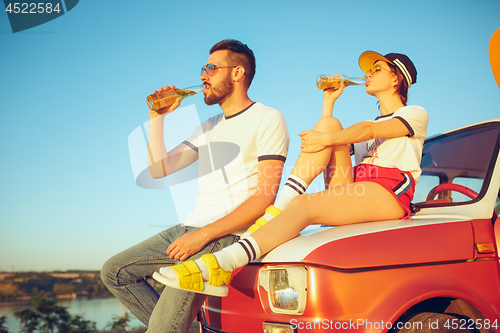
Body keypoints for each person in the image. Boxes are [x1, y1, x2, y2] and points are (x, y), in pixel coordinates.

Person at [152, 51, 429, 297]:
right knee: (329, 122)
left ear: (397, 80)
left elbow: (369, 129)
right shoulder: (358, 129)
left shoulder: (414, 114)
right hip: (357, 189)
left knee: (303, 201)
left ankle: (225, 262)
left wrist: (326, 140)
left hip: (390, 193)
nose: (368, 74)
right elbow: (335, 147)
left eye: (377, 69)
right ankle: (278, 211)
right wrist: (329, 103)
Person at [100, 39, 290, 332]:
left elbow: (264, 198)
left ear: (237, 73)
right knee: (115, 272)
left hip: (224, 235)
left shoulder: (268, 118)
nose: (203, 75)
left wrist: (203, 236)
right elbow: (159, 168)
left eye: (211, 68)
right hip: (190, 228)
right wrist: (157, 118)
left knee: (163, 328)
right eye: (203, 69)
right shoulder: (208, 126)